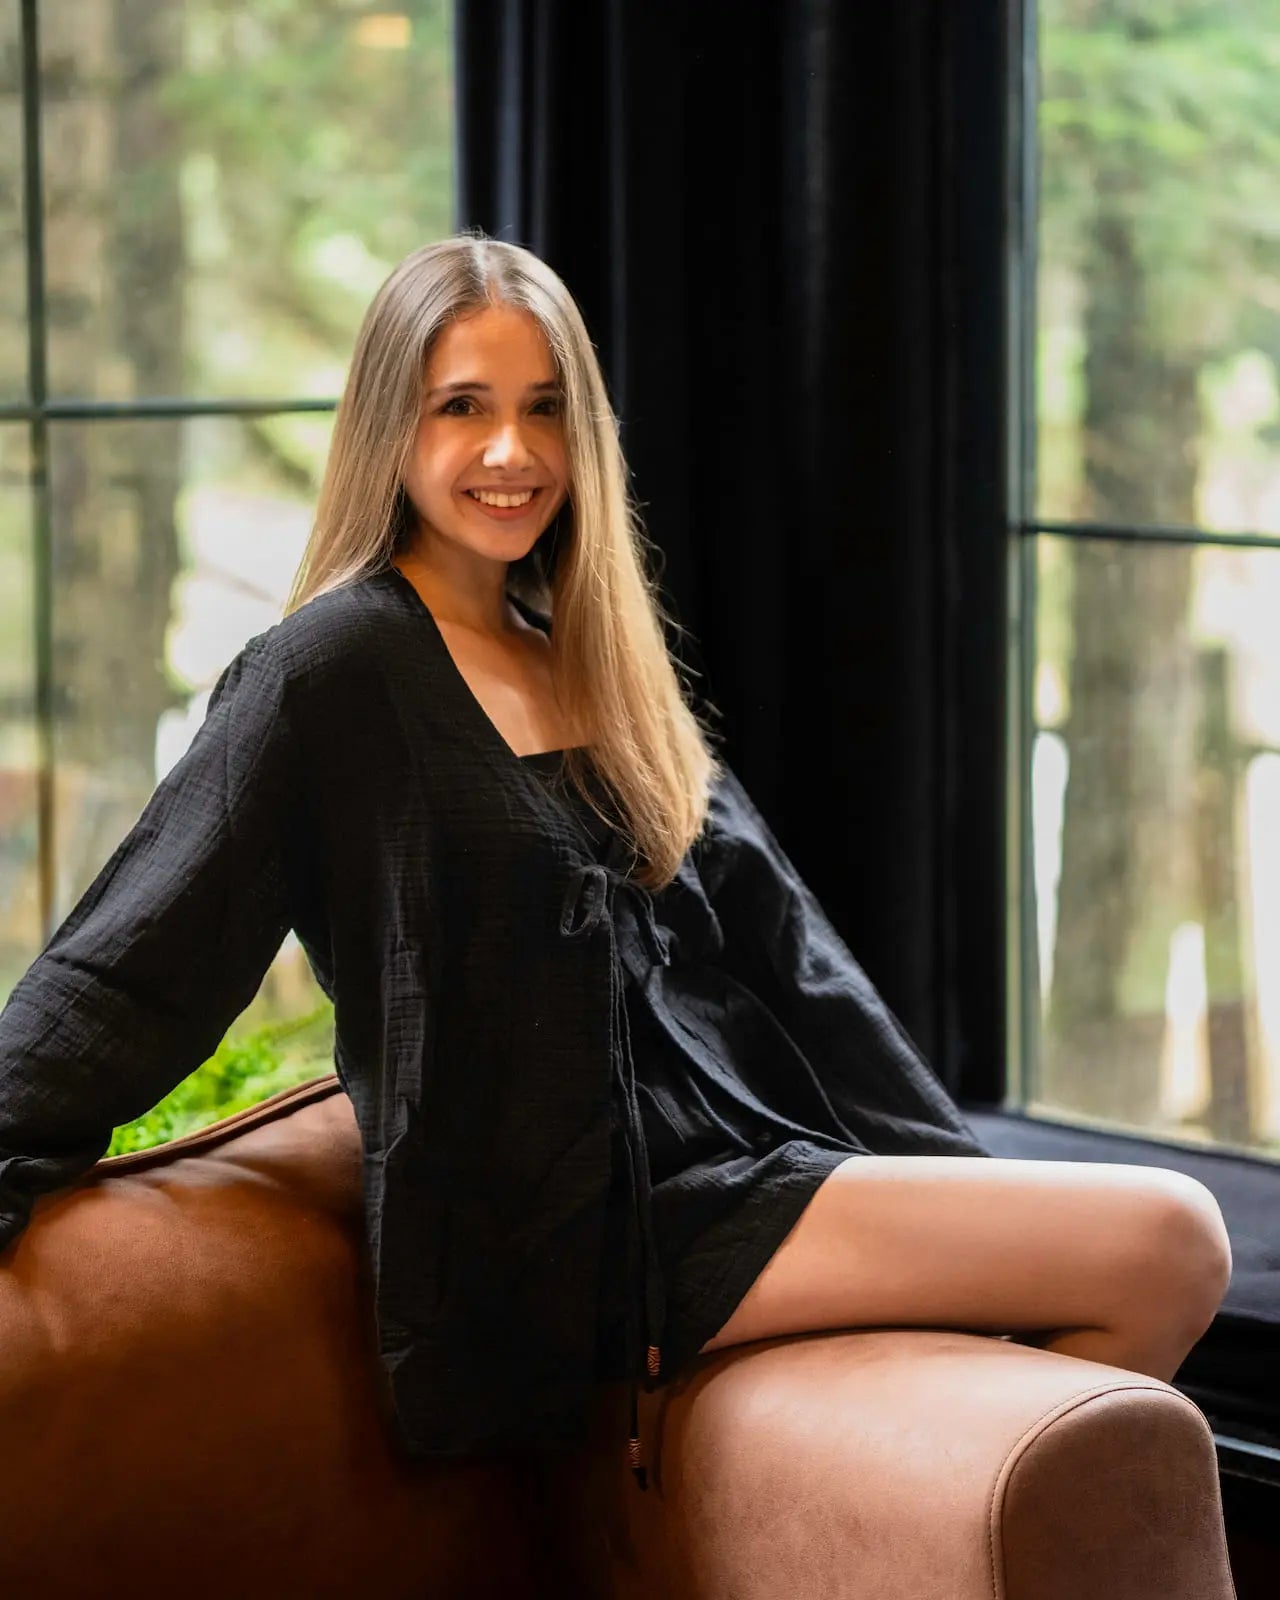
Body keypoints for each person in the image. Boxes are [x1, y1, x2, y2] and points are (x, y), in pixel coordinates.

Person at [0, 231, 1233, 1493]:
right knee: (1171, 1238)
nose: (510, 452)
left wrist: (943, 1183)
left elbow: (794, 966)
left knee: (1083, 1306)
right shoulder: (329, 671)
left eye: (545, 410)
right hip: (566, 1236)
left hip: (733, 1172)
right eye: (461, 408)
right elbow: (127, 971)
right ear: (388, 428)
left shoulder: (591, 657)